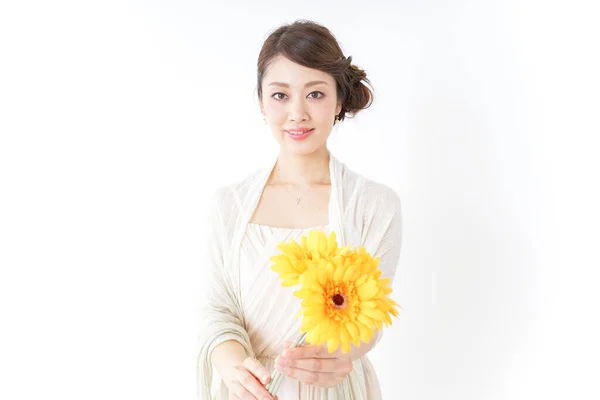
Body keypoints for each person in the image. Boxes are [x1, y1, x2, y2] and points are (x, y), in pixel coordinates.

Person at [197, 19, 403, 400]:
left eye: (315, 94)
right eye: (280, 95)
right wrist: (232, 368)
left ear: (339, 100)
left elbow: (370, 317)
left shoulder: (374, 205)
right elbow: (215, 306)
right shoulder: (228, 205)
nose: (297, 113)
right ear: (260, 100)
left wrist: (337, 354)